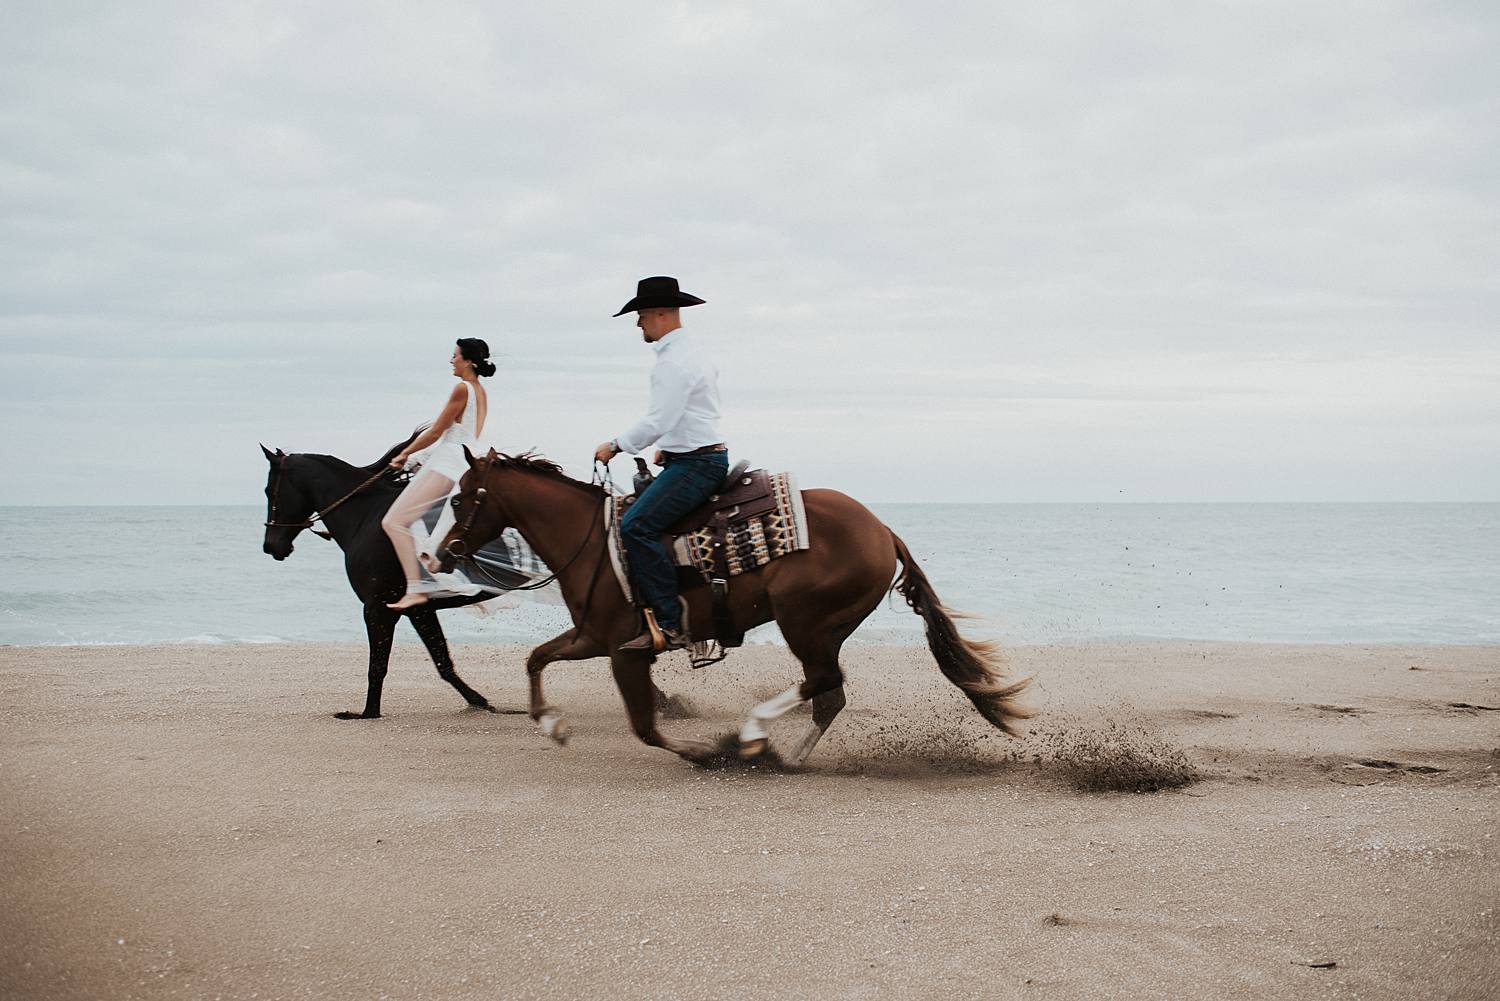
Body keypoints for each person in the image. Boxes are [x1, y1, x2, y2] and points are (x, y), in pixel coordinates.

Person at [594, 277, 728, 651]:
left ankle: (670, 624)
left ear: (662, 313)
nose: (638, 324)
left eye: (641, 316)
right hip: (694, 456)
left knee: (636, 527)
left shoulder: (673, 362)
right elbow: (690, 412)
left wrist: (615, 445)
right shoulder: (691, 353)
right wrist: (669, 448)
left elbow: (658, 420)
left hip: (697, 464)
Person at [383, 338, 493, 610]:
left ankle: (417, 588)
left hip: (448, 462)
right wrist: (420, 458)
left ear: (468, 361)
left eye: (455, 355)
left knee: (394, 521)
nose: (451, 360)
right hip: (462, 460)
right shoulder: (480, 391)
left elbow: (436, 432)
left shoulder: (462, 389)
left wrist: (405, 453)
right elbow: (466, 436)